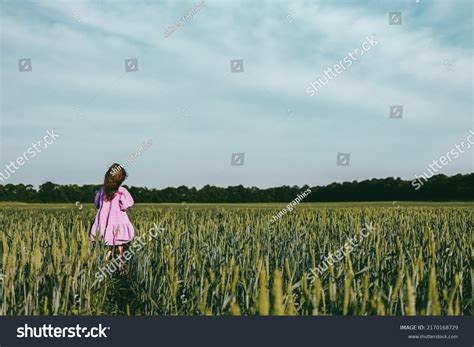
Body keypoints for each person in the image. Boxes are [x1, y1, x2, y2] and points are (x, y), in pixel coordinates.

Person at [90, 163, 135, 270]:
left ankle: (104, 265)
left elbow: (97, 204)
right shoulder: (122, 191)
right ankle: (121, 267)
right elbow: (126, 205)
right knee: (120, 245)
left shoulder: (102, 191)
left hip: (104, 223)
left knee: (108, 245)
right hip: (118, 222)